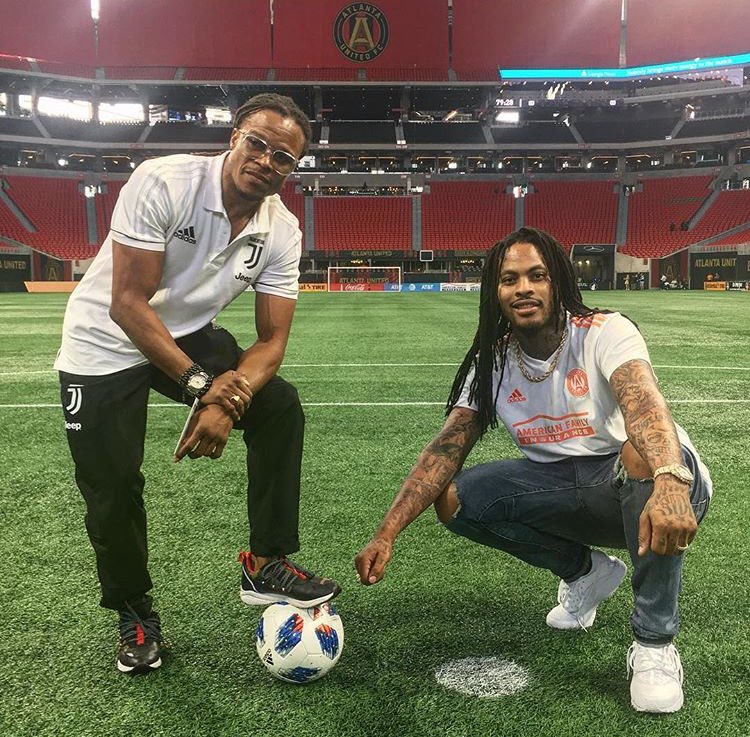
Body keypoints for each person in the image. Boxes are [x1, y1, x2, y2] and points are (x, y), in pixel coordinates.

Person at [355, 227, 711, 714]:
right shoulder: (493, 361)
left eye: (536, 276)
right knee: (456, 498)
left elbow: (645, 407)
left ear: (557, 282)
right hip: (562, 488)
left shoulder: (603, 330)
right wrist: (386, 532)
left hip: (651, 482)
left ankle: (653, 644)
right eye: (509, 279)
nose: (523, 288)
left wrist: (671, 479)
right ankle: (585, 573)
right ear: (495, 293)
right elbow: (445, 448)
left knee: (637, 454)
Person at [56, 93, 340, 675]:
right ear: (235, 137)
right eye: (257, 143)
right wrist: (199, 388)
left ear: (292, 170)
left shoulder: (281, 229)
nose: (266, 160)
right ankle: (134, 611)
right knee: (111, 487)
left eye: (283, 157)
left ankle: (266, 563)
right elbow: (128, 303)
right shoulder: (163, 181)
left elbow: (271, 343)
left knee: (278, 404)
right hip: (103, 342)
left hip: (187, 334)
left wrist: (230, 405)